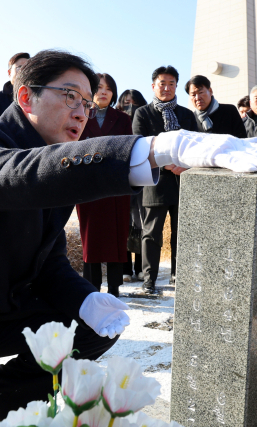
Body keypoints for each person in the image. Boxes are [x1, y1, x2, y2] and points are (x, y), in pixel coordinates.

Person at [0, 49, 257, 427]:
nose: (81, 111)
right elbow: (18, 176)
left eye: (86, 100)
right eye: (69, 96)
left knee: (91, 328)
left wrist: (85, 299)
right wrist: (155, 149)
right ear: (25, 98)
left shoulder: (53, 164)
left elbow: (47, 265)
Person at [132, 65, 197, 294]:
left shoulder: (187, 115)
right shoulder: (143, 113)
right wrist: (167, 163)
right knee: (151, 233)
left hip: (182, 181)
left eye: (171, 83)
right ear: (153, 86)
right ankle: (149, 280)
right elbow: (140, 144)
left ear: (176, 86)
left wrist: (184, 164)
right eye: (162, 83)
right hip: (155, 180)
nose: (167, 88)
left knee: (182, 233)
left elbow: (193, 143)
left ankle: (178, 276)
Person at [76, 74, 133, 297]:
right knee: (91, 237)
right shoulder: (80, 114)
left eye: (109, 89)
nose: (104, 92)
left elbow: (128, 147)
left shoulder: (122, 118)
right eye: (99, 88)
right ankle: (91, 286)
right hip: (88, 182)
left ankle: (115, 287)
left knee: (116, 237)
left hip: (116, 182)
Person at [116, 89, 148, 283]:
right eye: (126, 103)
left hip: (142, 178)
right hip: (121, 179)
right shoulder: (117, 122)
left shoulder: (144, 121)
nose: (130, 107)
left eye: (134, 103)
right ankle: (125, 267)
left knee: (141, 223)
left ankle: (141, 267)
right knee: (124, 224)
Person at [0, 52, 30, 122]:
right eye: (20, 67)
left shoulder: (38, 97)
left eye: (27, 68)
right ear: (9, 73)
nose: (24, 72)